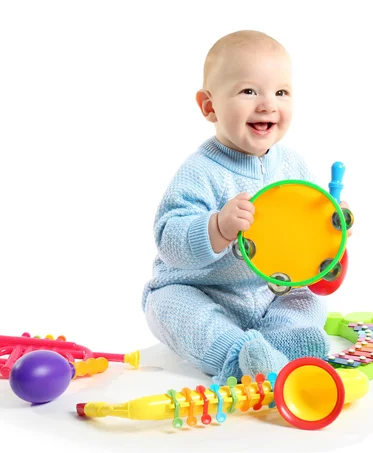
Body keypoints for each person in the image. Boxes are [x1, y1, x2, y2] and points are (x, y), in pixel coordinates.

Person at [141, 30, 351, 384]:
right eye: (249, 91)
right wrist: (217, 228)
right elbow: (168, 237)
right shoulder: (200, 171)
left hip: (272, 292)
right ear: (210, 106)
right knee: (167, 307)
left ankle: (284, 346)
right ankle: (239, 356)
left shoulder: (293, 166)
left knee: (306, 303)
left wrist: (331, 224)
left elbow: (307, 236)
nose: (268, 104)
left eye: (281, 92)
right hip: (201, 290)